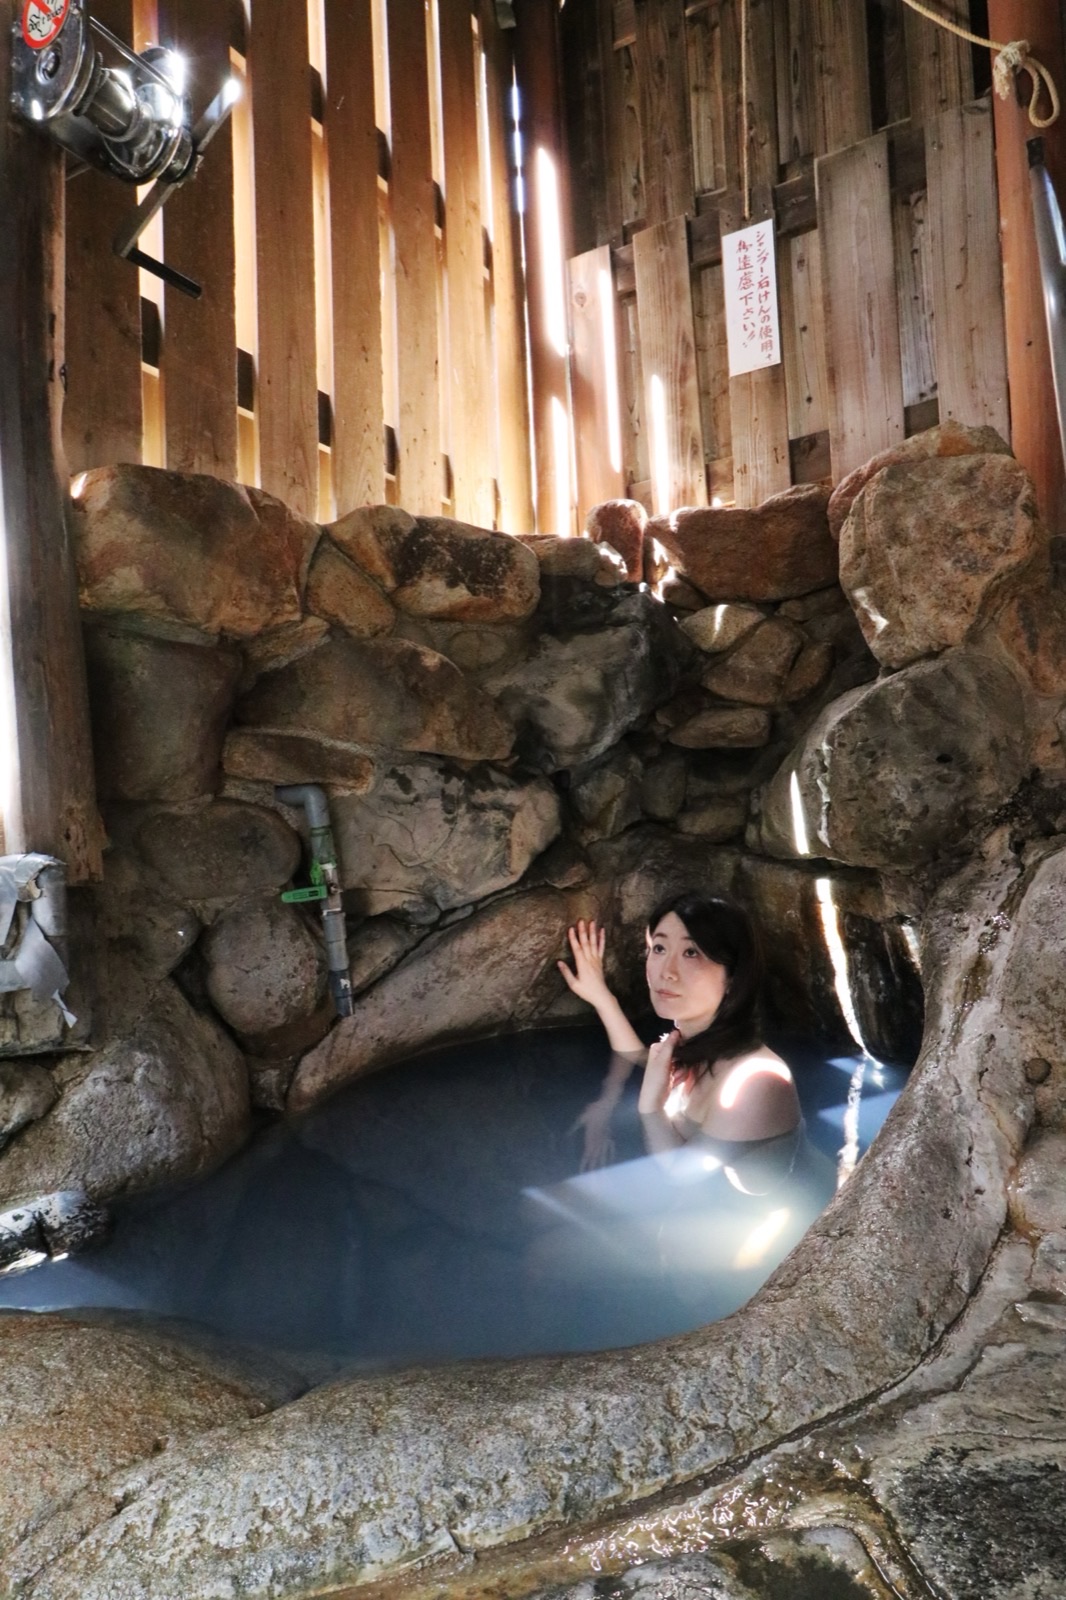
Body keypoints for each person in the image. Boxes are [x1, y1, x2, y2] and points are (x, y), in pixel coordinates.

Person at [557, 892, 801, 1167]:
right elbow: (640, 1058)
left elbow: (683, 1179)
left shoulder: (756, 1080)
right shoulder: (695, 1046)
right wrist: (602, 998)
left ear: (733, 975)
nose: (666, 971)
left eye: (691, 952)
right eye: (659, 949)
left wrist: (651, 1109)